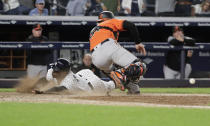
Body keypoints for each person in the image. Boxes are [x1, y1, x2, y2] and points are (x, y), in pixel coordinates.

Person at [89, 11, 147, 93]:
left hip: (96, 59)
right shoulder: (110, 22)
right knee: (139, 66)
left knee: (122, 70)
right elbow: (131, 25)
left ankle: (128, 85)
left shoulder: (93, 31)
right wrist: (138, 43)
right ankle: (120, 76)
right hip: (108, 46)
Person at [34, 58, 115, 94]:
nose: (54, 70)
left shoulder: (69, 81)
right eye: (55, 68)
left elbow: (59, 89)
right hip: (83, 74)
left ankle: (123, 79)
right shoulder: (58, 73)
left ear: (63, 72)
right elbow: (46, 79)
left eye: (56, 69)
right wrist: (33, 86)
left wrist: (44, 91)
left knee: (110, 85)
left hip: (93, 85)